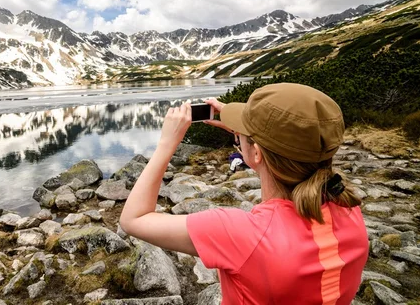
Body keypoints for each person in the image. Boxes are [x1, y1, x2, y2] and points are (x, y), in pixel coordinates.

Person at [120, 83, 369, 304]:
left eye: (242, 138)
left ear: (257, 154)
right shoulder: (349, 209)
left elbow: (134, 219)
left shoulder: (241, 234)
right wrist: (249, 133)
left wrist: (167, 143)